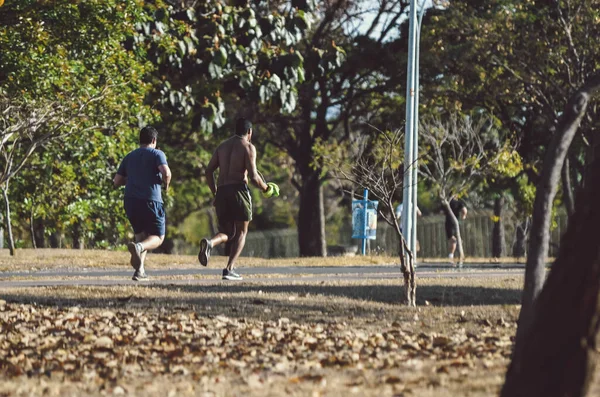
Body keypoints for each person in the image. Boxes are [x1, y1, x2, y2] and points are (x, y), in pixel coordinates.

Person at [198, 117, 279, 281]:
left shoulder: (222, 146)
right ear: (250, 132)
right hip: (238, 191)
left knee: (227, 232)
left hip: (221, 191)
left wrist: (215, 193)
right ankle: (229, 269)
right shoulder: (248, 147)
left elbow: (208, 171)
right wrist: (266, 189)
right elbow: (254, 177)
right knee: (242, 231)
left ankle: (210, 243)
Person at [113, 126, 172, 281]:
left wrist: (134, 179)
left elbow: (117, 181)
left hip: (131, 201)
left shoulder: (129, 156)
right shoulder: (157, 153)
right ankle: (138, 248)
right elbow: (166, 173)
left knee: (141, 235)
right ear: (154, 140)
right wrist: (166, 186)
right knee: (158, 237)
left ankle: (139, 272)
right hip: (151, 200)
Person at [442, 198, 468, 264]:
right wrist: (463, 216)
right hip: (455, 223)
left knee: (453, 240)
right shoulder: (458, 202)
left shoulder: (448, 202)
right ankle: (455, 256)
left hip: (450, 223)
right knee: (455, 240)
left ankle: (453, 256)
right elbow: (464, 210)